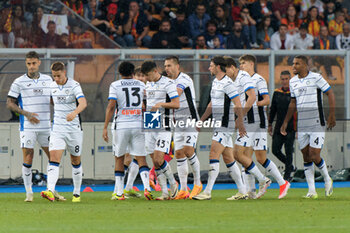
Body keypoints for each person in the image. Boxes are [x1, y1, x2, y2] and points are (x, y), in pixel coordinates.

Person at [7, 51, 64, 202]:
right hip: (28, 127)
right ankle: (29, 193)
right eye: (28, 64)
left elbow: (54, 99)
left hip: (47, 126)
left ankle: (51, 190)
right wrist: (26, 113)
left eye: (33, 63)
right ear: (26, 64)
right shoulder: (19, 82)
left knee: (53, 157)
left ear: (39, 63)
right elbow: (10, 103)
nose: (31, 67)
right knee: (28, 156)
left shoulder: (48, 80)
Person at [192, 56, 247, 201]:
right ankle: (242, 191)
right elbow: (211, 104)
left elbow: (238, 104)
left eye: (211, 66)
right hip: (218, 124)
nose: (209, 68)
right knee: (228, 157)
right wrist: (201, 120)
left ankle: (207, 191)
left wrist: (240, 124)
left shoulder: (228, 84)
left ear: (218, 67)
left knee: (213, 154)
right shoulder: (216, 82)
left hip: (225, 125)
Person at [281, 55, 335, 199]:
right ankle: (311, 191)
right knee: (306, 157)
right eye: (293, 63)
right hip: (302, 124)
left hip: (317, 122)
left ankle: (327, 178)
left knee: (314, 155)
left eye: (297, 64)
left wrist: (332, 115)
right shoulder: (293, 82)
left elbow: (329, 93)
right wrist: (285, 122)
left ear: (305, 66)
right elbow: (293, 103)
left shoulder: (316, 77)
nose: (293, 66)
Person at [239, 55, 290, 199]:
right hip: (248, 123)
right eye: (240, 63)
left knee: (258, 158)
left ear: (251, 64)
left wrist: (253, 103)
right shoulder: (241, 80)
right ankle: (251, 191)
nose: (241, 66)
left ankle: (281, 183)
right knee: (245, 157)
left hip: (258, 123)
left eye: (243, 63)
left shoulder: (258, 80)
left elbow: (267, 100)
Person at [102, 61, 153, 201]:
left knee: (119, 157)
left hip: (122, 125)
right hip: (138, 125)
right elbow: (148, 105)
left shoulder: (115, 85)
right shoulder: (142, 85)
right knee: (141, 158)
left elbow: (111, 107)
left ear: (120, 73)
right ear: (133, 73)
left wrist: (105, 126)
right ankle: (147, 188)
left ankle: (119, 193)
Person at [225, 56, 271, 199]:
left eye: (226, 71)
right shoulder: (234, 80)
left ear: (232, 68)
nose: (226, 74)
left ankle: (263, 180)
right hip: (245, 120)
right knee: (242, 155)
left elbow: (252, 98)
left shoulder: (244, 77)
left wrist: (241, 116)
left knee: (238, 154)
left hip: (250, 121)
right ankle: (249, 190)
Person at [40, 62, 87, 203]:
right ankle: (50, 190)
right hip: (58, 128)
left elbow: (83, 103)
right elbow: (52, 101)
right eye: (54, 76)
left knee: (75, 160)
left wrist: (74, 113)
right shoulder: (52, 86)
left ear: (64, 73)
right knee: (54, 158)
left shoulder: (74, 85)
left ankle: (77, 193)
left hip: (73, 129)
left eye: (59, 76)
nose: (56, 79)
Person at [163, 56, 202, 200]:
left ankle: (198, 183)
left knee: (188, 150)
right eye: (165, 66)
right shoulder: (167, 81)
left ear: (177, 66)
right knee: (179, 154)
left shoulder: (184, 79)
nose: (166, 68)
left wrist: (157, 99)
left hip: (190, 120)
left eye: (169, 65)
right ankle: (184, 189)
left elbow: (175, 96)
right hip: (177, 122)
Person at [141, 61, 180, 200]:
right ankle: (164, 193)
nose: (145, 78)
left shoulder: (168, 84)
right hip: (150, 121)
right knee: (155, 161)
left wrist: (161, 104)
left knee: (159, 158)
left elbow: (176, 104)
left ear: (155, 71)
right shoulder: (148, 84)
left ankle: (173, 184)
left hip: (165, 124)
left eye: (147, 75)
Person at [268, 70, 296, 182]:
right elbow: (273, 109)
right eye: (283, 79)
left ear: (290, 79)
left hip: (291, 126)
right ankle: (290, 166)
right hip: (278, 126)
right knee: (275, 150)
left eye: (287, 79)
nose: (284, 81)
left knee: (289, 151)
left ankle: (287, 175)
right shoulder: (277, 92)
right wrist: (270, 124)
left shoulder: (294, 92)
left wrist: (297, 128)